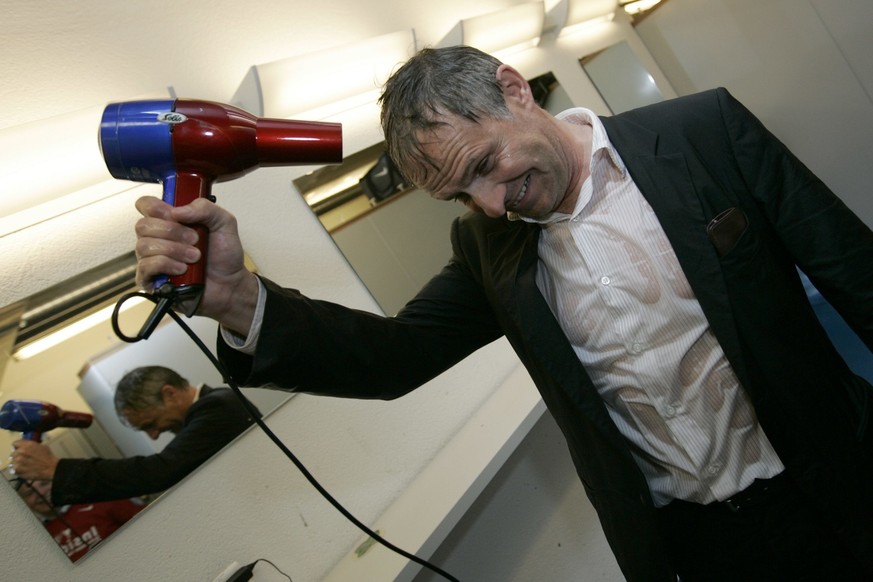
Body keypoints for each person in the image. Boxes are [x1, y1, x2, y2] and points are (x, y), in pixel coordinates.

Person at [129, 46, 873, 581]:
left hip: (833, 489)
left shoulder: (698, 134)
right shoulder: (487, 243)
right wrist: (237, 301)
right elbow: (395, 355)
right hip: (697, 547)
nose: (489, 204)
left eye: (485, 166)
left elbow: (855, 275)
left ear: (514, 90)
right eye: (460, 196)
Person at [11, 366, 259, 505]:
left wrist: (57, 470)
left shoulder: (216, 407)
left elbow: (159, 471)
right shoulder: (216, 404)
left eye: (150, 423)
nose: (154, 435)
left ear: (170, 394)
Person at [17, 479, 145, 562]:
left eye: (44, 484)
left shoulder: (100, 498)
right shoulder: (37, 538)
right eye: (30, 493)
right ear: (25, 504)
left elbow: (148, 528)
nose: (40, 493)